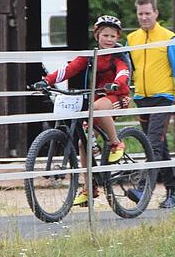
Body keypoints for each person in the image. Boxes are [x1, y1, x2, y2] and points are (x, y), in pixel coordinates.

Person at [33, 15, 131, 207]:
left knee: (97, 108)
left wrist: (116, 84)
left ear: (117, 37)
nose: (109, 39)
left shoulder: (119, 55)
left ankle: (116, 143)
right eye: (105, 35)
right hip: (96, 98)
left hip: (117, 96)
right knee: (82, 143)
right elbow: (69, 69)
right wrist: (47, 81)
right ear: (97, 36)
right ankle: (89, 187)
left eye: (113, 36)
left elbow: (123, 72)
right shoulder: (90, 54)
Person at [126, 0, 175, 209]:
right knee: (159, 147)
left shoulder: (168, 37)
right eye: (140, 14)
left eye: (147, 13)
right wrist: (130, 96)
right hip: (143, 98)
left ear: (156, 13)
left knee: (152, 142)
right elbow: (128, 71)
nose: (144, 17)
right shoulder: (131, 39)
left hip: (164, 98)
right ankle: (173, 190)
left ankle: (143, 188)